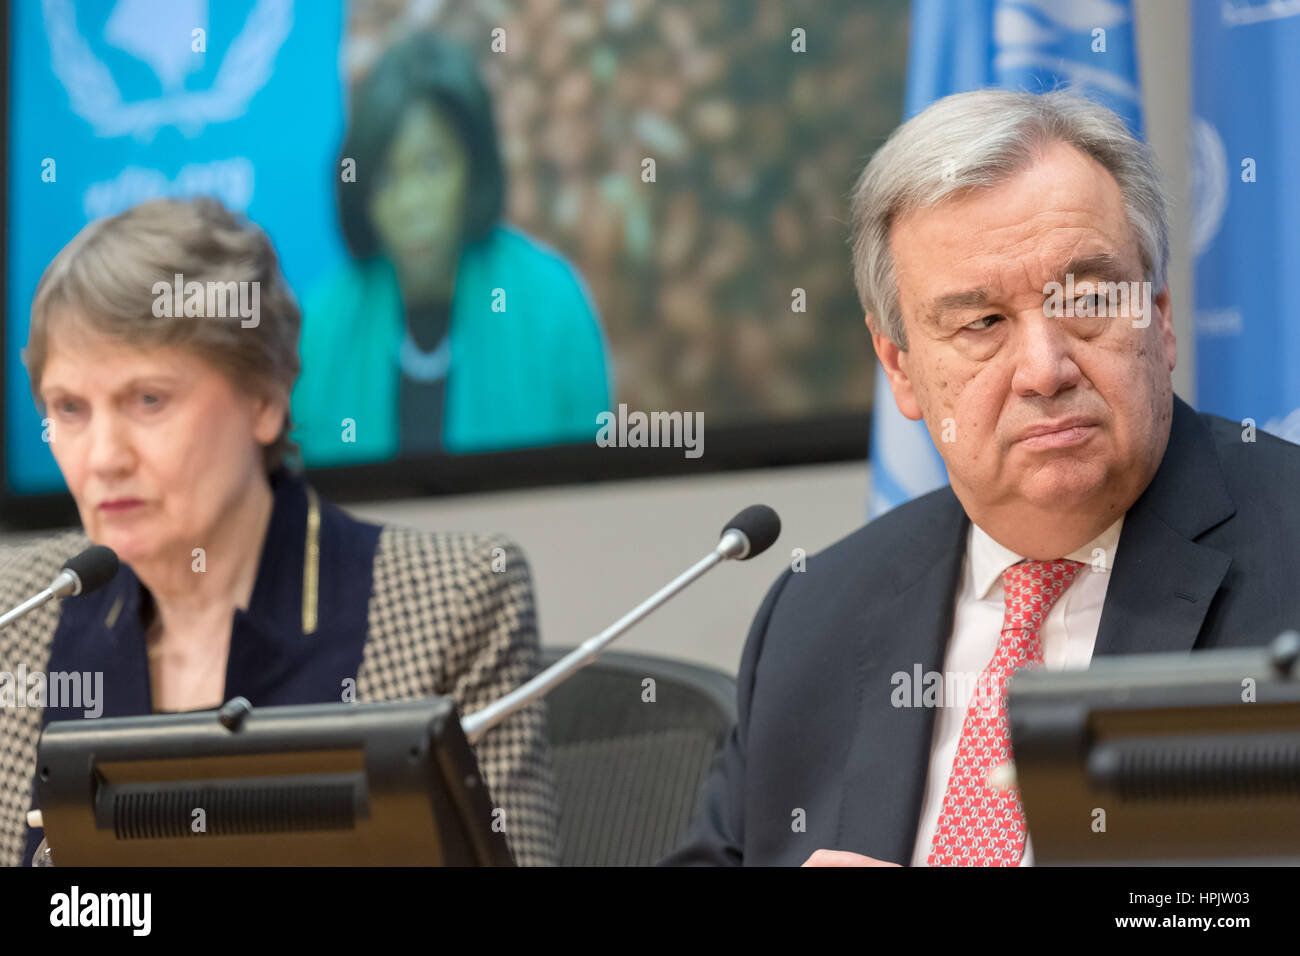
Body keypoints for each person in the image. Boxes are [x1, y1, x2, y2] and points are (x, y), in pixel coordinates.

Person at [662, 89, 1300, 867]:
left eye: (1088, 299)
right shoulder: (815, 617)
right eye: (982, 324)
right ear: (898, 367)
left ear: (1159, 317)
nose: (1044, 370)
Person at [0, 197, 559, 867]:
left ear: (264, 398)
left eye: (148, 400)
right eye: (69, 409)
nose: (103, 457)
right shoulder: (19, 618)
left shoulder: (450, 604)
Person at [293, 32, 612, 464]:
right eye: (387, 177)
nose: (411, 204)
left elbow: (592, 495)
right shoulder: (323, 325)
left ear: (474, 168)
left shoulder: (552, 305)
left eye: (432, 165)